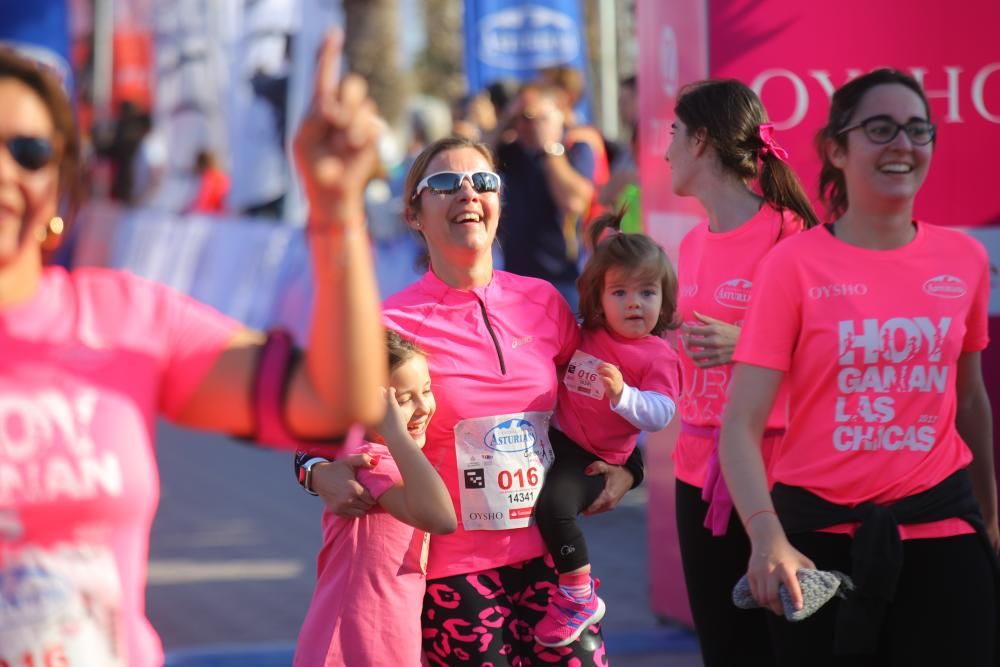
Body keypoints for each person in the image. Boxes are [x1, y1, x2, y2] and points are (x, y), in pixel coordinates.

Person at [0, 31, 386, 667]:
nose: (6, 169)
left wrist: (336, 207)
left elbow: (330, 400)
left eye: (30, 150)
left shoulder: (124, 317)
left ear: (61, 182)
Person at [310, 135, 643, 666]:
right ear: (415, 214)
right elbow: (317, 425)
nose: (467, 193)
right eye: (444, 184)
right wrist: (312, 471)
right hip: (454, 572)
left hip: (553, 561)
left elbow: (596, 400)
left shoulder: (542, 302)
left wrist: (632, 470)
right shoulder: (390, 325)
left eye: (483, 181)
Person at [719, 68, 998, 666]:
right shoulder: (793, 265)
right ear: (837, 150)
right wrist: (766, 535)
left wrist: (991, 523)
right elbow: (740, 423)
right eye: (880, 128)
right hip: (814, 546)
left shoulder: (965, 258)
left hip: (942, 529)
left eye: (918, 129)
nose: (903, 143)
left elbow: (970, 401)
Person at [667, 79, 819, 666]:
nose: (665, 151)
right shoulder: (688, 245)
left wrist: (747, 344)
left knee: (789, 645)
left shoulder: (791, 236)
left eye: (674, 134)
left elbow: (832, 361)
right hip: (694, 474)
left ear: (701, 141)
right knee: (725, 649)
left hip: (775, 475)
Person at [533, 210, 680, 647]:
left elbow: (661, 413)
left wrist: (622, 397)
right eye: (620, 292)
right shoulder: (588, 335)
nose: (634, 303)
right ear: (598, 300)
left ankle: (579, 595)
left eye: (647, 292)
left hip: (596, 458)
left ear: (664, 299)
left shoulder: (656, 355)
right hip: (557, 438)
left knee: (554, 508)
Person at [294, 330, 456, 667]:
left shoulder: (391, 459)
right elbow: (441, 518)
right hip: (354, 641)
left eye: (426, 390)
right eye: (402, 399)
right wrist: (397, 434)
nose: (423, 406)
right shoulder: (373, 461)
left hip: (385, 636)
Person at [495, 83, 597, 312]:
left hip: (563, 280)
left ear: (560, 116)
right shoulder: (511, 153)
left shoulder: (577, 149)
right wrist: (505, 119)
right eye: (523, 118)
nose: (529, 125)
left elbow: (574, 202)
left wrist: (549, 147)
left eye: (538, 117)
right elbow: (477, 155)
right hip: (514, 281)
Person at [186, 149, 230, 214]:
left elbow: (202, 200)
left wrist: (187, 211)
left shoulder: (209, 177)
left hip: (209, 215)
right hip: (220, 213)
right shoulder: (223, 176)